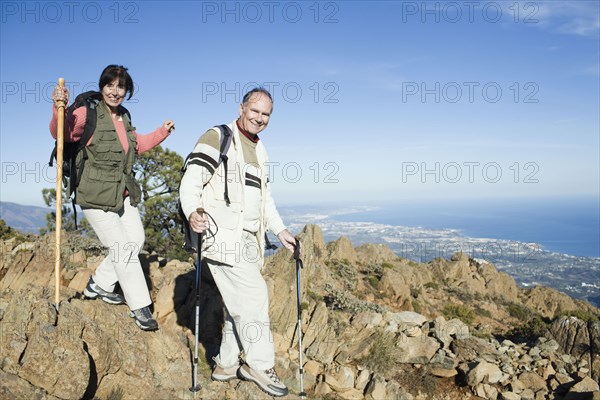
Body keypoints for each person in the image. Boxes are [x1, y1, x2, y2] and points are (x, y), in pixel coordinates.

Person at [179, 88, 298, 397]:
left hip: (251, 240)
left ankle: (226, 364)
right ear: (242, 108)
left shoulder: (260, 150)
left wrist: (280, 231)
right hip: (222, 236)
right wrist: (192, 211)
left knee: (238, 306)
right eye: (254, 110)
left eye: (266, 114)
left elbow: (265, 199)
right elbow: (191, 179)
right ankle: (260, 365)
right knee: (255, 296)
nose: (259, 118)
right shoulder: (218, 136)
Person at [49, 65, 175, 331]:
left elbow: (136, 145)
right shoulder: (88, 112)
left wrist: (161, 132)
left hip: (121, 192)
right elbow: (62, 132)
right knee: (120, 250)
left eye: (120, 87)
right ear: (102, 86)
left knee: (135, 240)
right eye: (110, 85)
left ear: (126, 91)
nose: (115, 91)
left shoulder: (124, 117)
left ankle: (100, 284)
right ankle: (140, 306)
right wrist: (58, 106)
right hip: (94, 195)